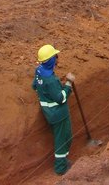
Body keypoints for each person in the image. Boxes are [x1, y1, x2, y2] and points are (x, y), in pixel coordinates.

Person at [32, 44, 75, 175]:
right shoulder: (50, 80)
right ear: (51, 60)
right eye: (55, 56)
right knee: (62, 139)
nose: (57, 58)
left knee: (65, 137)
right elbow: (61, 98)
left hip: (50, 113)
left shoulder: (39, 71)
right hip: (58, 115)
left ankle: (63, 161)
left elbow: (34, 85)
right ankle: (61, 168)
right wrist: (68, 84)